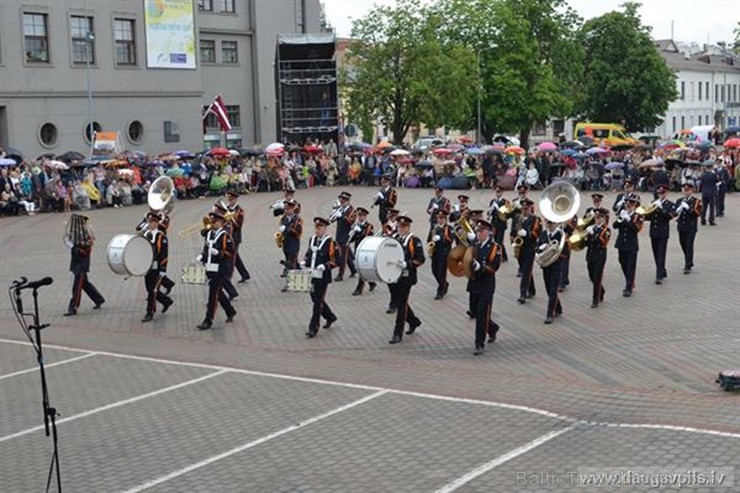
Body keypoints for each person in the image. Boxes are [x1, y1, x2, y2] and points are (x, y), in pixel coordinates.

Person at [197, 211, 237, 330]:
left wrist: (219, 253)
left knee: (213, 294)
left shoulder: (225, 236)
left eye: (214, 222)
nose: (212, 224)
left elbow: (231, 252)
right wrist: (202, 256)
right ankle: (230, 311)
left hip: (220, 268)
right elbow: (206, 249)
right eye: (212, 222)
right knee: (218, 292)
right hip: (210, 267)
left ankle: (208, 320)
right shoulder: (209, 234)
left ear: (221, 222)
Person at [388, 215, 425, 344]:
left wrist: (408, 264)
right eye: (399, 226)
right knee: (398, 301)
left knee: (402, 304)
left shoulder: (414, 240)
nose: (401, 229)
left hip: (407, 276)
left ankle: (397, 333)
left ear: (408, 227)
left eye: (403, 227)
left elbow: (420, 259)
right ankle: (414, 321)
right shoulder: (394, 238)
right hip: (393, 276)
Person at [468, 219, 502, 355]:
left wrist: (480, 267)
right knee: (474, 311)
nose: (478, 234)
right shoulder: (474, 244)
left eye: (481, 231)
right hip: (474, 283)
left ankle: (479, 343)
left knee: (482, 314)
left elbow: (494, 267)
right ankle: (492, 328)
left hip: (486, 285)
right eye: (477, 231)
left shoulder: (495, 247)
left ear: (488, 232)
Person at [303, 217, 340, 338]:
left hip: (323, 277)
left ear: (325, 228)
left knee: (317, 302)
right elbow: (309, 254)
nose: (317, 230)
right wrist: (304, 262)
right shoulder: (312, 240)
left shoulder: (330, 243)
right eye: (316, 228)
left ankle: (313, 328)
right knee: (315, 298)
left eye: (320, 228)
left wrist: (325, 265)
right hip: (312, 274)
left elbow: (337, 260)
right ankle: (330, 316)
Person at [64, 216, 105, 316]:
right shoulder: (77, 233)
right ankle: (98, 299)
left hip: (82, 263)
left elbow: (86, 250)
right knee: (84, 283)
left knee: (77, 285)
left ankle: (73, 307)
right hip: (76, 262)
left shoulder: (85, 233)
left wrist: (73, 247)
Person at [141, 212, 174, 322]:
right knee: (149, 289)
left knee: (153, 291)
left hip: (157, 267)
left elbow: (164, 254)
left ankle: (150, 312)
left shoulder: (161, 236)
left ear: (156, 223)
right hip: (147, 267)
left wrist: (163, 269)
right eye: (148, 222)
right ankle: (166, 301)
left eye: (151, 222)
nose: (149, 224)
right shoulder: (145, 235)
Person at [136, 210, 175, 296]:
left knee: (157, 270)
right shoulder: (148, 216)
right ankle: (167, 285)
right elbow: (138, 228)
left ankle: (155, 294)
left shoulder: (163, 216)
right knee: (153, 273)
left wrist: (158, 220)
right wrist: (144, 220)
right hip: (149, 244)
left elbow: (164, 227)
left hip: (158, 242)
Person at [613, 193, 643, 297]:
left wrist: (628, 219)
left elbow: (637, 228)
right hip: (621, 243)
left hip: (631, 244)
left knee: (631, 265)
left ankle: (628, 286)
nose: (628, 206)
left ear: (635, 206)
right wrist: (620, 219)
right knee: (622, 262)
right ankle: (629, 280)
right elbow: (614, 226)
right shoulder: (623, 213)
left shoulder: (638, 216)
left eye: (630, 205)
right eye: (627, 204)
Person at [537, 220, 564, 324]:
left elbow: (565, 251)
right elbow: (537, 246)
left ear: (556, 223)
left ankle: (550, 314)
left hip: (556, 265)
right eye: (547, 223)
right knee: (548, 289)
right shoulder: (544, 234)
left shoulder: (560, 235)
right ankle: (558, 307)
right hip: (546, 265)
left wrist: (554, 253)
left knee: (553, 290)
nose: (548, 225)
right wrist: (539, 250)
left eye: (551, 223)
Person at [646, 185, 674, 284]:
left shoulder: (669, 204)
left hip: (663, 232)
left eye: (662, 193)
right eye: (659, 193)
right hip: (653, 231)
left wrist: (661, 208)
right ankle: (662, 270)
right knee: (655, 253)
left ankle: (659, 276)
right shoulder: (653, 203)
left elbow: (669, 216)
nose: (660, 195)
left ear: (666, 194)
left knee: (661, 253)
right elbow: (648, 217)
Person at [515, 198, 540, 304]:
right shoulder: (518, 218)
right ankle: (532, 289)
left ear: (531, 208)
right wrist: (513, 238)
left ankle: (523, 294)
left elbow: (538, 233)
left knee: (525, 271)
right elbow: (513, 231)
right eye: (523, 209)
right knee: (525, 269)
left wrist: (527, 234)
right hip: (520, 248)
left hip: (530, 247)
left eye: (526, 209)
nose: (524, 211)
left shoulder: (535, 219)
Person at [585, 208, 611, 308]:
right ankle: (602, 290)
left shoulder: (606, 230)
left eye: (599, 218)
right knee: (591, 276)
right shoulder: (592, 227)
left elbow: (603, 242)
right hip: (590, 254)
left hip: (600, 255)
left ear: (604, 219)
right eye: (596, 217)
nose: (597, 220)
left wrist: (593, 234)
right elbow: (587, 243)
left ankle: (595, 300)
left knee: (597, 277)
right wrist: (586, 236)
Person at [674, 182, 702, 274]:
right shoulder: (679, 200)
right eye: (684, 190)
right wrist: (677, 211)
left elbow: (698, 213)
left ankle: (687, 265)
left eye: (688, 190)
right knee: (683, 244)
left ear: (692, 191)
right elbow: (674, 213)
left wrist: (688, 208)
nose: (686, 192)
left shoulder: (696, 201)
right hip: (681, 226)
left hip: (691, 226)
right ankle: (689, 259)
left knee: (689, 245)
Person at [330, 191, 357, 281]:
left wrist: (341, 216)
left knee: (342, 255)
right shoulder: (340, 209)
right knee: (347, 254)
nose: (342, 201)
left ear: (348, 200)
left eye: (344, 200)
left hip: (347, 235)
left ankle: (340, 274)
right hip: (339, 234)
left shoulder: (352, 210)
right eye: (341, 199)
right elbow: (332, 219)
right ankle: (353, 270)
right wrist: (332, 216)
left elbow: (351, 221)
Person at [225, 190, 251, 282]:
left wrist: (230, 219)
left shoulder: (239, 210)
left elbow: (238, 225)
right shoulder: (226, 208)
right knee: (236, 257)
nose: (230, 201)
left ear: (235, 199)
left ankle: (228, 278)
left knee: (231, 258)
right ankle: (245, 274)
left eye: (232, 199)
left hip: (235, 237)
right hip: (226, 236)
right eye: (229, 199)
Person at [351, 207, 377, 296]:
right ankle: (371, 283)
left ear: (365, 216)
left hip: (365, 249)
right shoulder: (356, 225)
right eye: (359, 216)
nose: (360, 217)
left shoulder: (369, 226)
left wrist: (360, 231)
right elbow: (352, 239)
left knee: (361, 269)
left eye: (362, 216)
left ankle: (359, 289)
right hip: (357, 249)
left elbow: (368, 237)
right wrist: (352, 233)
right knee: (360, 268)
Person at [278, 199, 303, 291]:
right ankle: (299, 281)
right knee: (292, 262)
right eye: (285, 209)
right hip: (286, 243)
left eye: (288, 209)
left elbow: (298, 232)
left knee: (290, 263)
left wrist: (287, 229)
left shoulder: (297, 219)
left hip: (294, 243)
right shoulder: (283, 218)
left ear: (292, 209)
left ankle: (290, 284)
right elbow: (281, 226)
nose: (286, 211)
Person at [429, 210, 454, 299]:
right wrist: (430, 246)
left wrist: (441, 239)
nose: (440, 220)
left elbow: (450, 240)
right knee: (434, 271)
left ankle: (440, 292)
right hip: (435, 253)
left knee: (441, 272)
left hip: (444, 253)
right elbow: (429, 239)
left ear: (445, 219)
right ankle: (444, 284)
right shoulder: (434, 228)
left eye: (442, 218)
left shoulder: (449, 228)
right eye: (439, 218)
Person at [487, 185, 509, 262]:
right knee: (495, 240)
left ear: (502, 193)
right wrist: (490, 211)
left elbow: (506, 212)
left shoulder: (505, 201)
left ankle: (500, 257)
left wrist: (498, 208)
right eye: (497, 192)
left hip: (501, 224)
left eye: (499, 192)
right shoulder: (492, 201)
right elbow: (489, 212)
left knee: (499, 240)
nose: (498, 193)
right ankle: (504, 255)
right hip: (494, 223)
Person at [698, 161, 717, 226]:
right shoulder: (714, 175)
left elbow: (701, 183)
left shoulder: (703, 175)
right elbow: (718, 181)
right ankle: (711, 220)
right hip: (711, 192)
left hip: (704, 192)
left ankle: (703, 219)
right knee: (711, 207)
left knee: (704, 207)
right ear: (711, 167)